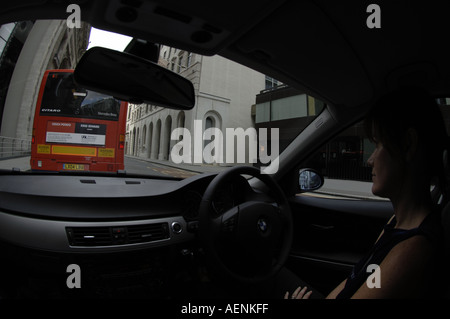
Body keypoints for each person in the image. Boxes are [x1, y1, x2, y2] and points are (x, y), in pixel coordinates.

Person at [285, 86, 449, 299]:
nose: (370, 160)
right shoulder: (397, 223)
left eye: (378, 144)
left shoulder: (412, 249)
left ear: (408, 145)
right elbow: (359, 278)